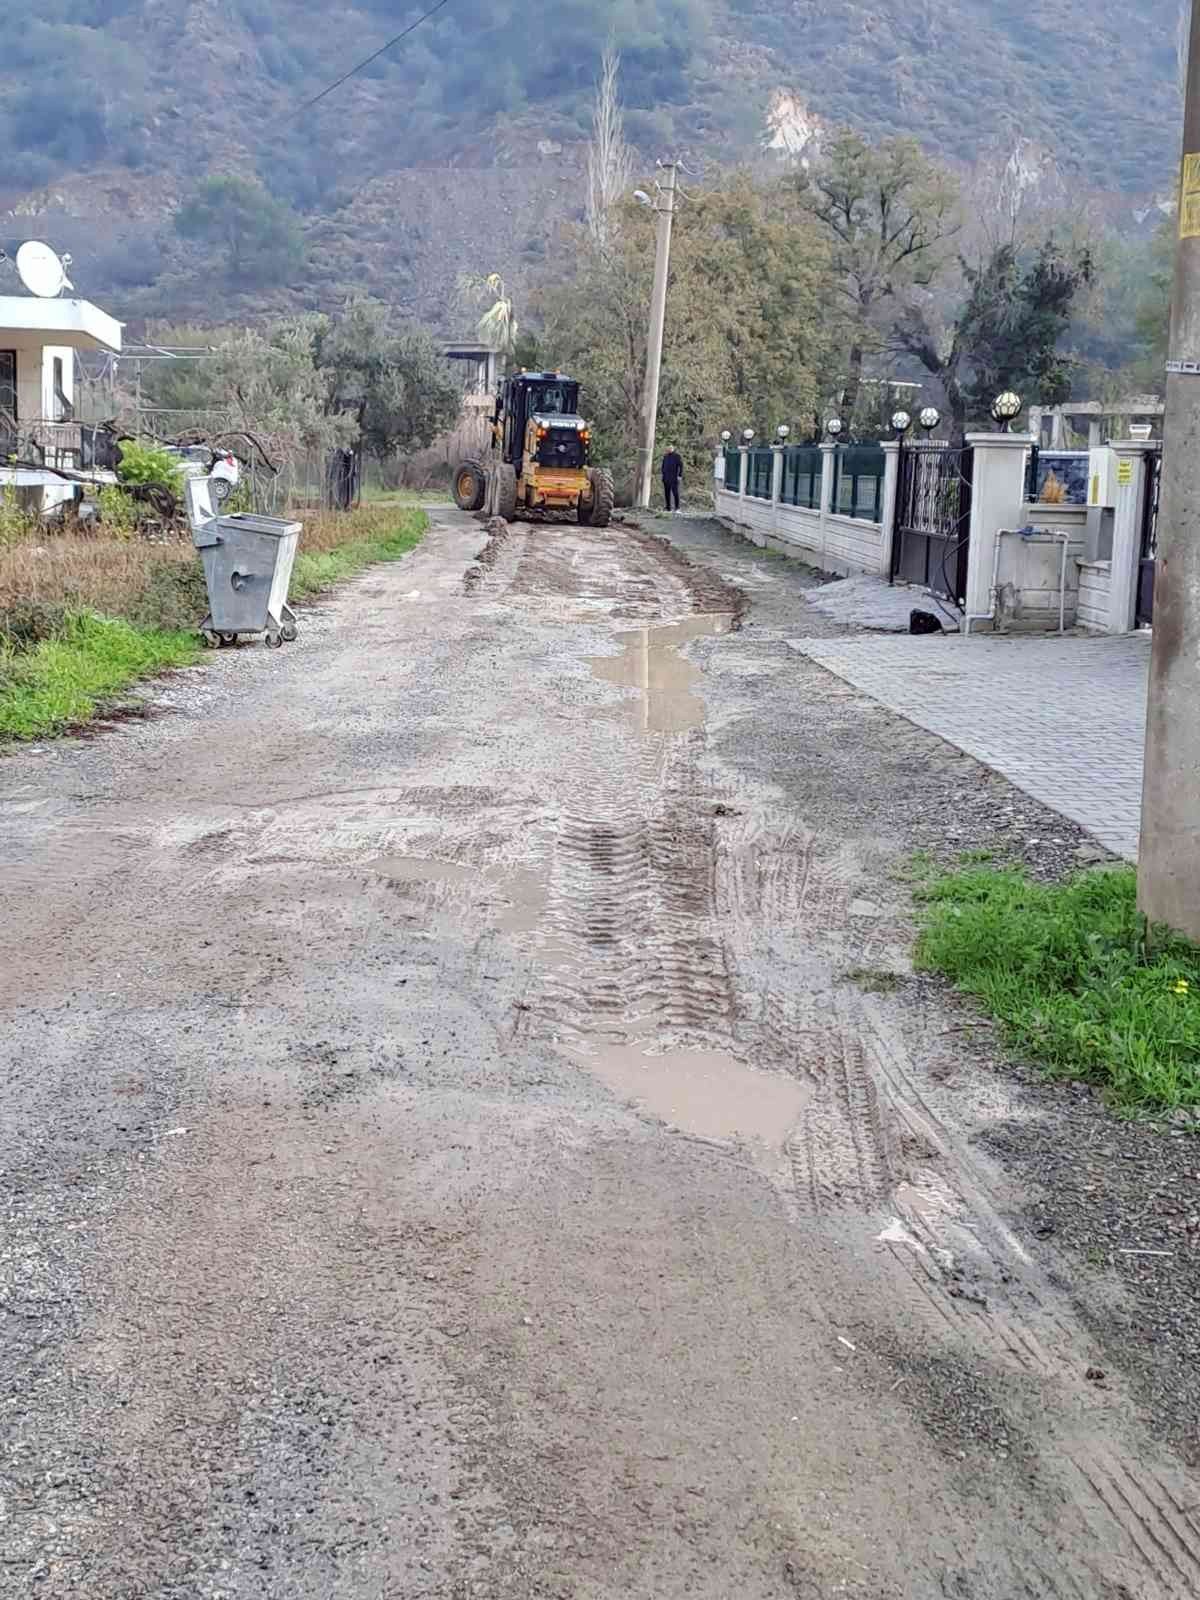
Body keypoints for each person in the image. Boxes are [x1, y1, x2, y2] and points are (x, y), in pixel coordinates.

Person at [661, 446, 683, 513]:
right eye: (668, 448)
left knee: (675, 493)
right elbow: (663, 466)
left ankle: (677, 508)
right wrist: (663, 475)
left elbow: (681, 466)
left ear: (673, 449)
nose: (669, 449)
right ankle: (668, 508)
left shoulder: (677, 456)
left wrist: (680, 475)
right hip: (666, 478)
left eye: (670, 448)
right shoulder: (665, 456)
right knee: (667, 494)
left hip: (674, 478)